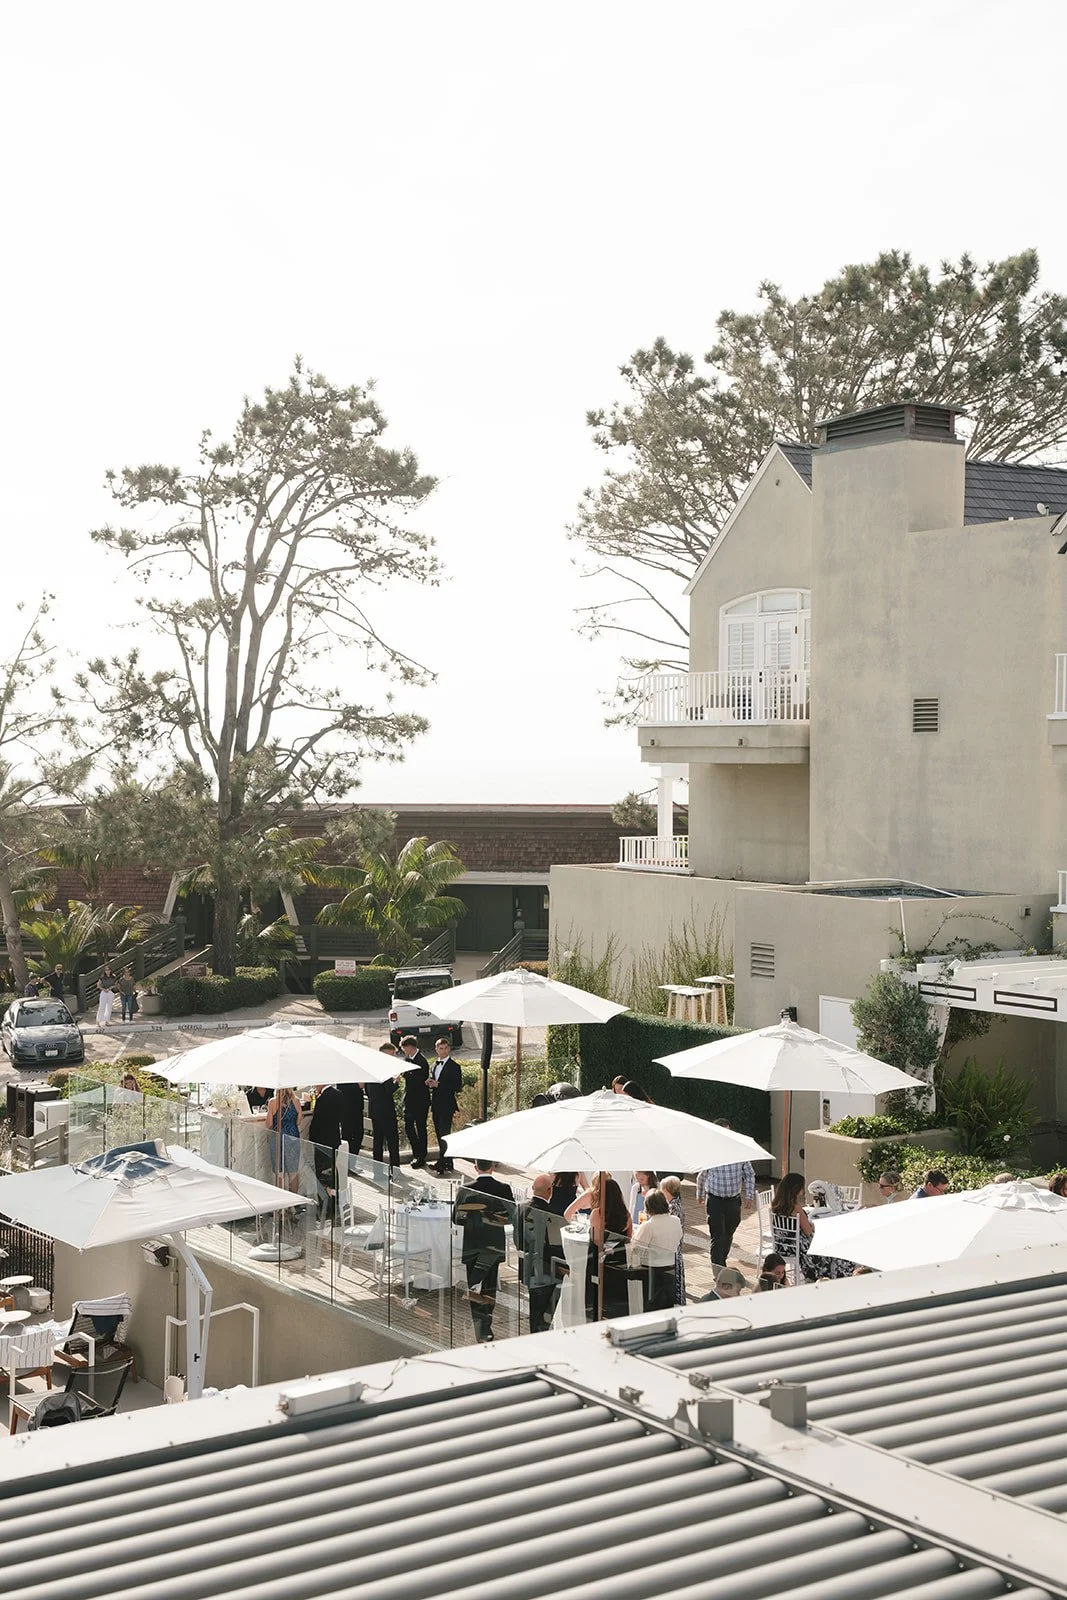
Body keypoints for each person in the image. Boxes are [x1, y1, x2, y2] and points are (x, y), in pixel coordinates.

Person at [454, 1159, 514, 1342]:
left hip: (473, 1244)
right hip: (493, 1244)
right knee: (489, 1286)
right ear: (493, 1167)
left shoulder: (465, 1189)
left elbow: (456, 1219)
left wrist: (472, 1221)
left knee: (474, 1286)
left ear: (475, 1167)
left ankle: (481, 1327)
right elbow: (511, 1217)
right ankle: (486, 1325)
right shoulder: (503, 1189)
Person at [565, 1173, 632, 1320]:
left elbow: (596, 1240)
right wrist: (614, 1246)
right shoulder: (626, 1215)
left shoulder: (597, 1214)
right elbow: (628, 1239)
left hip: (600, 1260)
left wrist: (607, 1247)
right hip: (619, 1259)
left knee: (595, 1294)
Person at [772, 1171, 854, 1282]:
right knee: (831, 1249)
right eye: (801, 1187)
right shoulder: (795, 1207)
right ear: (796, 1189)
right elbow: (808, 1232)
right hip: (798, 1247)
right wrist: (811, 1225)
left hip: (782, 1245)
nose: (803, 1190)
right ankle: (834, 1276)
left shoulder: (776, 1204)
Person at [696, 1122, 756, 1270]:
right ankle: (719, 1268)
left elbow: (749, 1174)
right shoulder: (710, 1153)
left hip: (733, 1201)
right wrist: (700, 1194)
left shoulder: (740, 1152)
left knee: (729, 1232)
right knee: (718, 1235)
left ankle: (721, 1260)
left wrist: (749, 1196)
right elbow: (702, 1176)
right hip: (715, 1200)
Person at [520, 1174, 562, 1332]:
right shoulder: (552, 1215)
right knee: (544, 1313)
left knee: (534, 1309)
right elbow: (556, 1246)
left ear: (533, 1189)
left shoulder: (521, 1207)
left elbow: (518, 1239)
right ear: (550, 1190)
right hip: (546, 1269)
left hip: (527, 1264)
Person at [630, 1189, 682, 1311]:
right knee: (667, 1306)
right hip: (670, 1267)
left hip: (651, 1271)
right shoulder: (675, 1220)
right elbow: (678, 1238)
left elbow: (635, 1248)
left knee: (651, 1306)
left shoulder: (649, 1226)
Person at [308, 1083, 344, 1219]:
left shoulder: (322, 1099)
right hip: (334, 1139)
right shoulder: (339, 1094)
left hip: (322, 1142)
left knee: (322, 1174)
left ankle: (325, 1206)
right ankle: (335, 1201)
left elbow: (316, 1122)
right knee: (333, 1171)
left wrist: (312, 1139)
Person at [365, 1044, 402, 1170]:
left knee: (378, 1141)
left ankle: (378, 1171)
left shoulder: (370, 1068)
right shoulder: (383, 1069)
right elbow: (388, 1090)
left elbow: (367, 1090)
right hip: (385, 1111)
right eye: (391, 1055)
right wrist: (396, 1081)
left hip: (374, 1110)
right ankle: (395, 1169)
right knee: (392, 1140)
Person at [429, 1037, 463, 1174]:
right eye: (440, 1048)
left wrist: (439, 1084)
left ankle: (441, 1163)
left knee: (444, 1134)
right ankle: (448, 1162)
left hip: (447, 1105)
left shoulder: (455, 1066)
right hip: (436, 1104)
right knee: (439, 1134)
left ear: (449, 1049)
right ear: (436, 1049)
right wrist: (430, 1083)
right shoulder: (433, 1064)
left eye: (445, 1048)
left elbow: (457, 1086)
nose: (442, 1051)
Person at [399, 1036, 431, 1169]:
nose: (403, 1051)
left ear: (410, 1047)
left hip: (420, 1101)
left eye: (403, 1048)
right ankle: (416, 1152)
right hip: (409, 1100)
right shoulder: (406, 1059)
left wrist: (405, 1073)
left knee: (421, 1128)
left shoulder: (422, 1061)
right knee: (409, 1127)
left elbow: (419, 1080)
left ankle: (421, 1155)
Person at [266, 1085, 302, 1191]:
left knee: (280, 1173)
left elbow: (269, 1124)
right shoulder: (296, 1101)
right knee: (293, 1172)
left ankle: (282, 1206)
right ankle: (293, 1205)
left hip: (278, 1138)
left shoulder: (273, 1102)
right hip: (293, 1138)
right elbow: (299, 1121)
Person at [659, 1174, 687, 1305]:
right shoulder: (675, 1203)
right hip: (677, 1248)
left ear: (666, 1190)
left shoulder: (672, 1207)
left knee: (675, 1281)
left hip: (673, 1249)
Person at [338, 1082, 364, 1158]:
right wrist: (357, 1085)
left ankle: (352, 1161)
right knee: (347, 1135)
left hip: (358, 1107)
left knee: (359, 1134)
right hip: (346, 1108)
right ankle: (346, 1163)